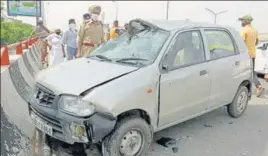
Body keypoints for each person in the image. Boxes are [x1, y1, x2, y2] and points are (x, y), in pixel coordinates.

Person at [239, 14, 265, 97]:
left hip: (245, 55)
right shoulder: (255, 30)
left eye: (242, 20)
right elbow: (256, 42)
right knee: (251, 71)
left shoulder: (244, 30)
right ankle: (252, 89)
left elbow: (240, 43)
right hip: (253, 54)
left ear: (246, 21)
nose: (241, 22)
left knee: (243, 72)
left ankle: (256, 87)